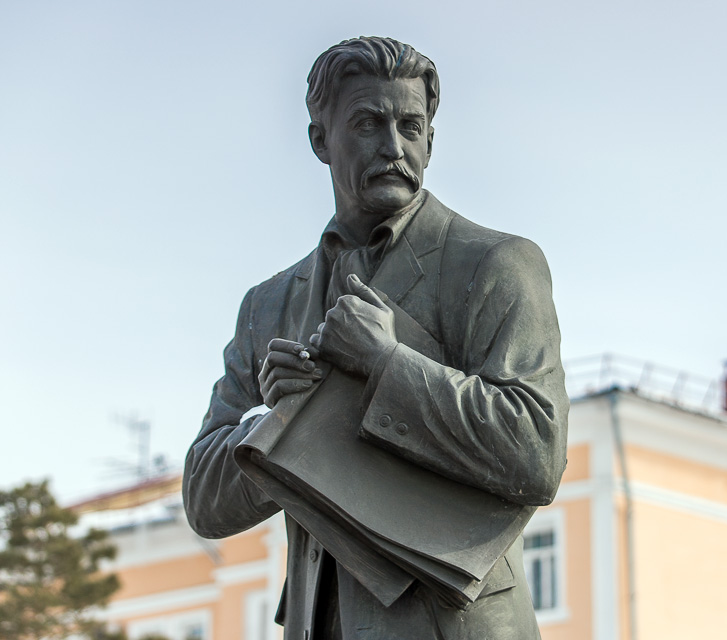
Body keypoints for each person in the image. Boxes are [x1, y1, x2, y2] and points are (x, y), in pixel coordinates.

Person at [182, 36, 568, 640]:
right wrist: (280, 420)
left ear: (430, 141)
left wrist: (387, 362)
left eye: (410, 126)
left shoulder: (495, 264)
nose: (393, 147)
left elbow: (536, 451)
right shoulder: (269, 304)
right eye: (367, 124)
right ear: (320, 140)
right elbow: (204, 499)